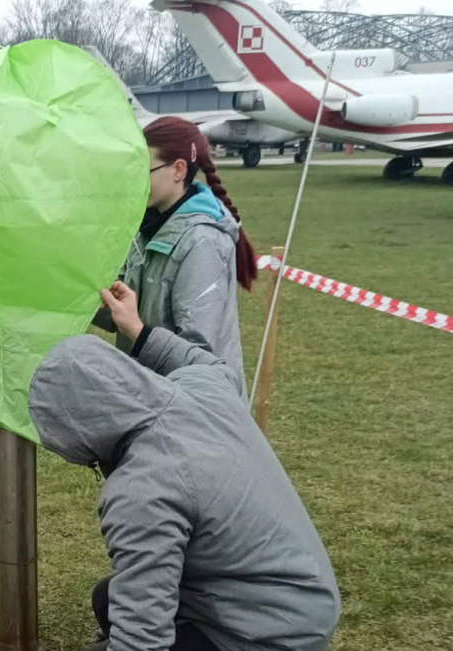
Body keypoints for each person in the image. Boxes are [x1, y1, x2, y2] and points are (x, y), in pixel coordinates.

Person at [31, 281, 341, 651]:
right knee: (108, 599)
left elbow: (141, 643)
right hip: (301, 595)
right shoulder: (203, 388)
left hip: (271, 633)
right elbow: (210, 364)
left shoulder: (142, 489)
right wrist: (138, 330)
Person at [95, 116, 257, 395]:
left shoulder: (203, 242)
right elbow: (121, 311)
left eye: (142, 171)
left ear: (178, 170)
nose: (134, 181)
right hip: (148, 399)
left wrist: (137, 331)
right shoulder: (146, 227)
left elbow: (199, 357)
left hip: (195, 410)